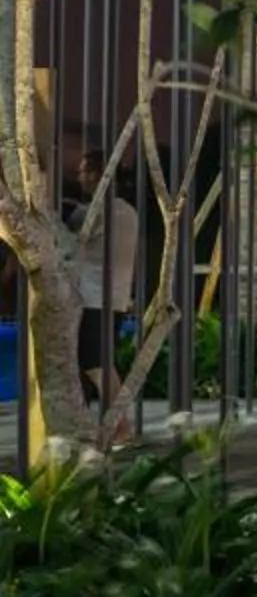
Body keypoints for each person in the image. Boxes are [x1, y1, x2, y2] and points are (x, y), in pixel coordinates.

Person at [66, 145, 143, 419]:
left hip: (91, 298)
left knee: (95, 364)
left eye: (82, 172)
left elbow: (66, 244)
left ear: (97, 174)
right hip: (117, 299)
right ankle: (101, 422)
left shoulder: (92, 213)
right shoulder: (129, 212)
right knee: (98, 362)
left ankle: (120, 425)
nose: (78, 177)